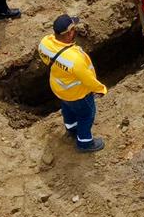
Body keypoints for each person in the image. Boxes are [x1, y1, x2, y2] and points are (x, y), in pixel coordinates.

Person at [38, 14, 107, 152]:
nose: (75, 31)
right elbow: (88, 79)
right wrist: (101, 89)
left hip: (60, 89)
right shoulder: (75, 59)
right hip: (78, 94)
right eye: (73, 29)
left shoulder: (45, 43)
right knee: (86, 115)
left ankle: (71, 129)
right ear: (69, 33)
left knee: (67, 109)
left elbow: (46, 59)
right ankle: (85, 143)